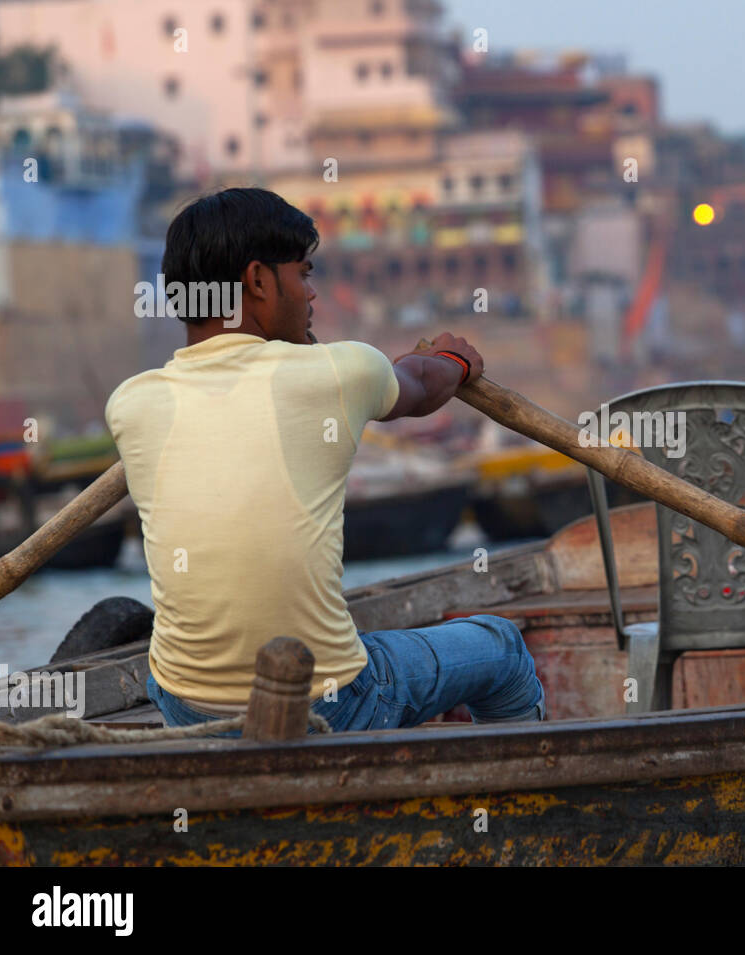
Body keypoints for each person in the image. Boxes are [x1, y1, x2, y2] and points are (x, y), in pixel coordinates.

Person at [107, 188, 544, 736]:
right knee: (501, 648)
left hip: (186, 704)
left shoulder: (132, 403)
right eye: (304, 274)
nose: (312, 294)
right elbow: (421, 382)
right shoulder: (342, 372)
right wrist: (454, 359)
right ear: (259, 282)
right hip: (331, 704)